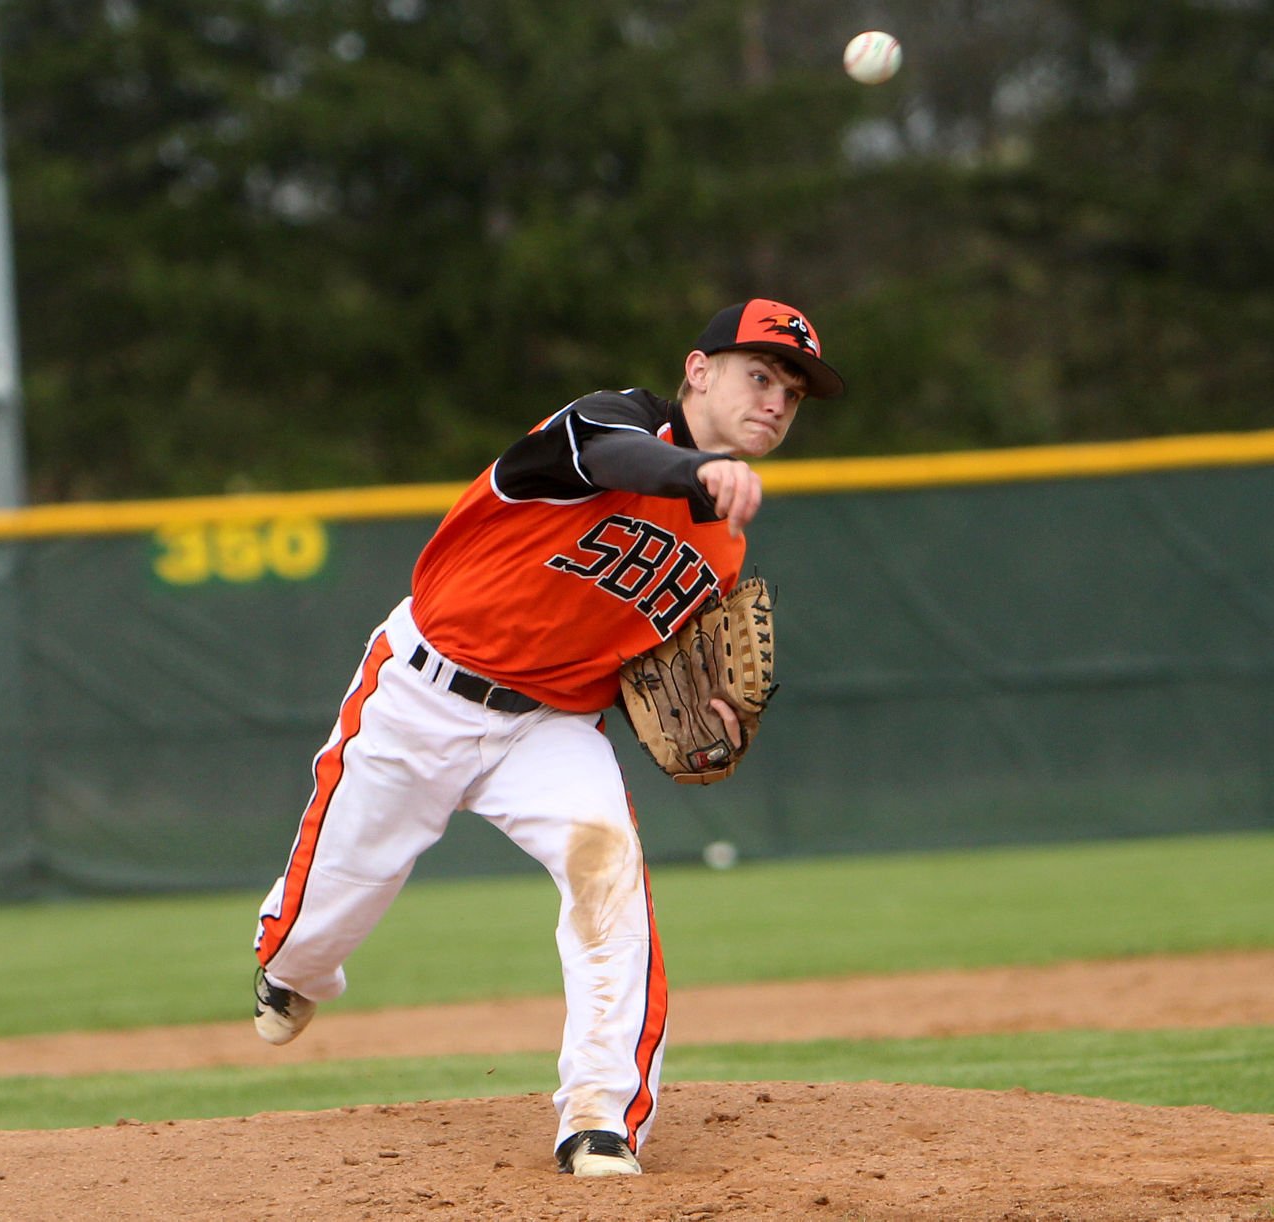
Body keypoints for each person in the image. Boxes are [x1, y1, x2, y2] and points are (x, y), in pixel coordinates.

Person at [251, 298, 844, 1177]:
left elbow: (644, 671)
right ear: (698, 370)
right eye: (760, 377)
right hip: (420, 690)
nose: (776, 403)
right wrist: (697, 470)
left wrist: (705, 709)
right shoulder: (608, 422)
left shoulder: (721, 546)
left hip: (550, 728)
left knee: (610, 877)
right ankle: (293, 966)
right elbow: (615, 459)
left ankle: (601, 1119)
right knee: (323, 919)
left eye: (792, 395)